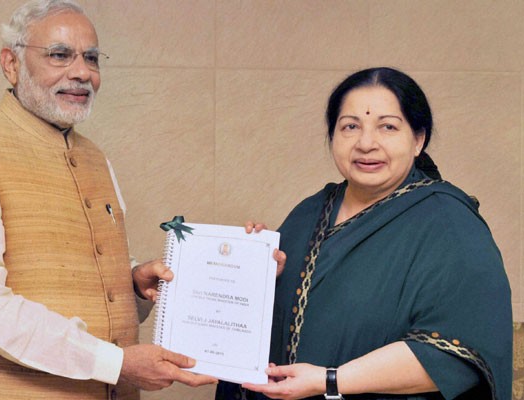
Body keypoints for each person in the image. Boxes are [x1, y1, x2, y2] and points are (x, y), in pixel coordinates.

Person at [0, 1, 217, 399]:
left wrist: (132, 284)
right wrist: (116, 363)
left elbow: (80, 281)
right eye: (60, 55)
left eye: (91, 58)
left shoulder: (96, 158)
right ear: (11, 64)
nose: (82, 73)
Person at [216, 67, 512, 399]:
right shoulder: (310, 212)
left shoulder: (450, 224)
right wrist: (255, 273)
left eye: (388, 127)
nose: (366, 144)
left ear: (418, 140)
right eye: (350, 127)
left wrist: (330, 380)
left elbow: (457, 352)